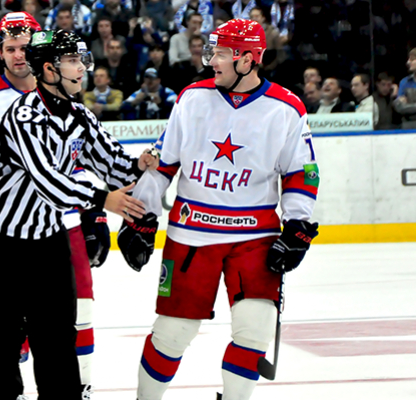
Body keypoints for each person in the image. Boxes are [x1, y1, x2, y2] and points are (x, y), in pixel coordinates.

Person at [119, 19, 319, 400]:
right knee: (172, 334)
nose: (211, 61)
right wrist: (140, 215)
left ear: (248, 59)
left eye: (221, 54)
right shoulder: (192, 98)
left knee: (254, 330)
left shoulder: (286, 109)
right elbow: (163, 163)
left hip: (254, 237)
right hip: (191, 233)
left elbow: (302, 173)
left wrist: (297, 227)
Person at [0, 28, 156, 400]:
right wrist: (105, 200)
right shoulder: (25, 116)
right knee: (0, 350)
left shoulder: (80, 116)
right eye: (72, 61)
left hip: (45, 240)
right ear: (48, 69)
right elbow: (50, 181)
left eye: (82, 60)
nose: (81, 68)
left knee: (57, 343)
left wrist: (144, 165)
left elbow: (116, 166)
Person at [0, 14, 114, 397]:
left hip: (54, 226)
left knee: (64, 323)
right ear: (0, 52)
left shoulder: (64, 92)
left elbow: (79, 158)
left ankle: (71, 387)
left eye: (25, 47)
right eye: (11, 48)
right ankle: (8, 385)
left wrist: (94, 213)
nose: (19, 55)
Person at [394, 48, 416, 129]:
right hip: (408, 127)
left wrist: (409, 105)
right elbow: (399, 108)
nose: (408, 62)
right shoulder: (404, 82)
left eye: (412, 59)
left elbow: (405, 107)